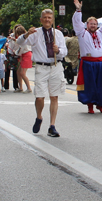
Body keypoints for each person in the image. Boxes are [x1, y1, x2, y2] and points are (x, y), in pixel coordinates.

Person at [16, 9, 67, 137]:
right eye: (45, 17)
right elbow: (19, 42)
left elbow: (64, 51)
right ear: (41, 19)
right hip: (41, 67)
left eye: (49, 17)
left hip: (55, 66)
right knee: (39, 96)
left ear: (52, 19)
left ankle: (52, 126)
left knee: (54, 96)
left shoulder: (58, 34)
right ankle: (39, 117)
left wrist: (58, 50)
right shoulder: (35, 33)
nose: (47, 20)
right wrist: (27, 34)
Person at [72, 0, 102, 114]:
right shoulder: (82, 33)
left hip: (101, 63)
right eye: (91, 24)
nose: (93, 25)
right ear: (87, 25)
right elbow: (77, 23)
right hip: (88, 63)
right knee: (89, 85)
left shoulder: (101, 32)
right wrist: (78, 10)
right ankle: (90, 106)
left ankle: (100, 104)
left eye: (95, 24)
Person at [14, 25, 32, 93]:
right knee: (18, 72)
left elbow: (21, 49)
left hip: (26, 55)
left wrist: (16, 53)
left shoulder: (23, 39)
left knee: (22, 72)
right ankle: (20, 87)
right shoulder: (26, 37)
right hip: (24, 55)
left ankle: (29, 88)